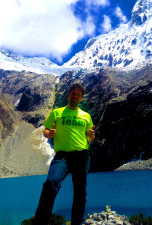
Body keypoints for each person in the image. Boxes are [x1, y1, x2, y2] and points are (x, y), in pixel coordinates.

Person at [33, 82, 95, 225]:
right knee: (50, 183)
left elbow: (90, 138)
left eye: (78, 95)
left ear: (81, 99)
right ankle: (40, 222)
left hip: (82, 156)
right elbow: (46, 131)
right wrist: (50, 134)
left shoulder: (86, 116)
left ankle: (77, 222)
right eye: (73, 93)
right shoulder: (57, 112)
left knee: (80, 191)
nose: (75, 96)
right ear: (68, 95)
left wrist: (91, 135)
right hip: (62, 157)